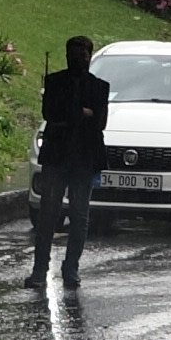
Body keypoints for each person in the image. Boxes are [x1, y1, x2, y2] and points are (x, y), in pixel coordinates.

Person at [26, 35, 109, 290]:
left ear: (90, 56)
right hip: (57, 156)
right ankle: (40, 269)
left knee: (79, 214)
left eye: (84, 53)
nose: (80, 58)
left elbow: (99, 122)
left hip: (84, 157)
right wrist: (81, 112)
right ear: (68, 54)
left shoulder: (99, 86)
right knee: (48, 213)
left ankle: (71, 268)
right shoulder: (55, 81)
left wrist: (74, 114)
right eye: (75, 53)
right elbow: (50, 113)